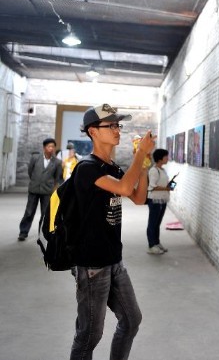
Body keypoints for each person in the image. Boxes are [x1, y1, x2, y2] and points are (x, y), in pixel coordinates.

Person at [70, 103, 154, 359]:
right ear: (93, 131)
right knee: (90, 334)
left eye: (119, 125)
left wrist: (143, 165)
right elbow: (126, 189)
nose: (117, 130)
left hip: (113, 259)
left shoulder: (113, 169)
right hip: (91, 264)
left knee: (131, 320)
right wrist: (140, 153)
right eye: (111, 125)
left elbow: (138, 197)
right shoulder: (86, 168)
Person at [17, 137, 63, 241]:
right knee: (29, 212)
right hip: (34, 189)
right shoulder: (35, 158)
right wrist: (35, 181)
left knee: (45, 213)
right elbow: (30, 171)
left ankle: (43, 234)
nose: (51, 148)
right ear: (44, 148)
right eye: (49, 146)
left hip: (47, 191)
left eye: (53, 147)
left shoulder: (57, 162)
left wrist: (51, 186)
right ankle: (23, 232)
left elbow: (57, 177)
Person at [146, 148, 172, 255]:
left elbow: (163, 184)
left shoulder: (162, 170)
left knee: (157, 223)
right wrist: (166, 188)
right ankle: (151, 246)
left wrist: (169, 186)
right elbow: (152, 186)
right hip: (155, 200)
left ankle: (156, 243)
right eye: (166, 156)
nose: (168, 158)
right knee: (152, 223)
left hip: (162, 199)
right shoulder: (153, 171)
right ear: (160, 158)